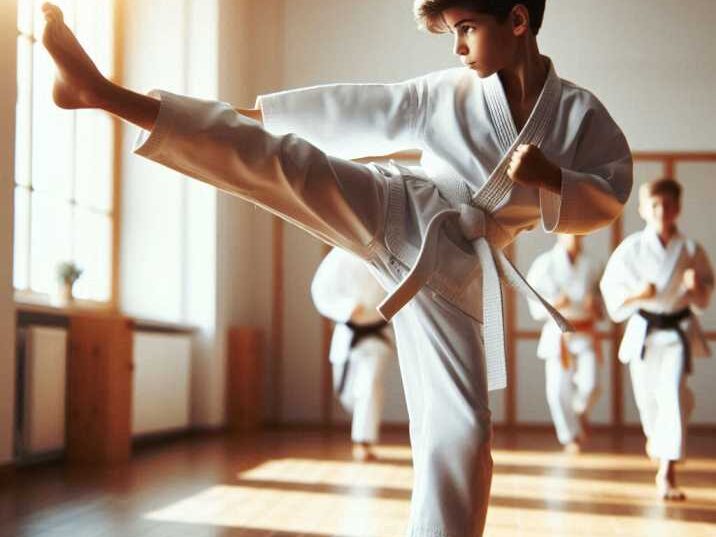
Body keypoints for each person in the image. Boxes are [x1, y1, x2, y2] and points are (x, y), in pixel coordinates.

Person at [41, 1, 632, 534]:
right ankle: (102, 92)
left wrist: (554, 179)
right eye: (453, 33)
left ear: (519, 20)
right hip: (405, 209)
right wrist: (252, 116)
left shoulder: (581, 116)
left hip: (455, 273)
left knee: (464, 435)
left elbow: (609, 194)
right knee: (286, 163)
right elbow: (360, 108)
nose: (457, 47)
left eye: (468, 30)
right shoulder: (443, 93)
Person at [601, 178, 713, 501]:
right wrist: (639, 294)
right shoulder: (631, 250)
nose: (662, 210)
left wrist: (696, 290)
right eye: (655, 205)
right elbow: (611, 292)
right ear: (642, 209)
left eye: (668, 204)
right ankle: (657, 438)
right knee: (649, 402)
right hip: (644, 333)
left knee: (674, 396)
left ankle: (667, 472)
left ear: (678, 208)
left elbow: (705, 295)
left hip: (677, 334)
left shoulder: (691, 250)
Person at [311, 247, 395, 462]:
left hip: (377, 332)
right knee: (348, 394)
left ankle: (363, 441)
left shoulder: (388, 254)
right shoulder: (340, 255)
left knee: (369, 384)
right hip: (347, 332)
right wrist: (345, 308)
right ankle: (360, 426)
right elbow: (320, 290)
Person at [526, 234, 603, 453]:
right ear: (559, 233)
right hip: (557, 333)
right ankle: (570, 436)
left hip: (585, 330)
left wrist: (594, 304)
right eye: (570, 231)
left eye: (579, 231)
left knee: (592, 385)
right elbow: (533, 303)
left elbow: (602, 303)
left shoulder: (593, 264)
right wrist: (553, 304)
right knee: (557, 390)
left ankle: (579, 411)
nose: (575, 236)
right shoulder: (544, 264)